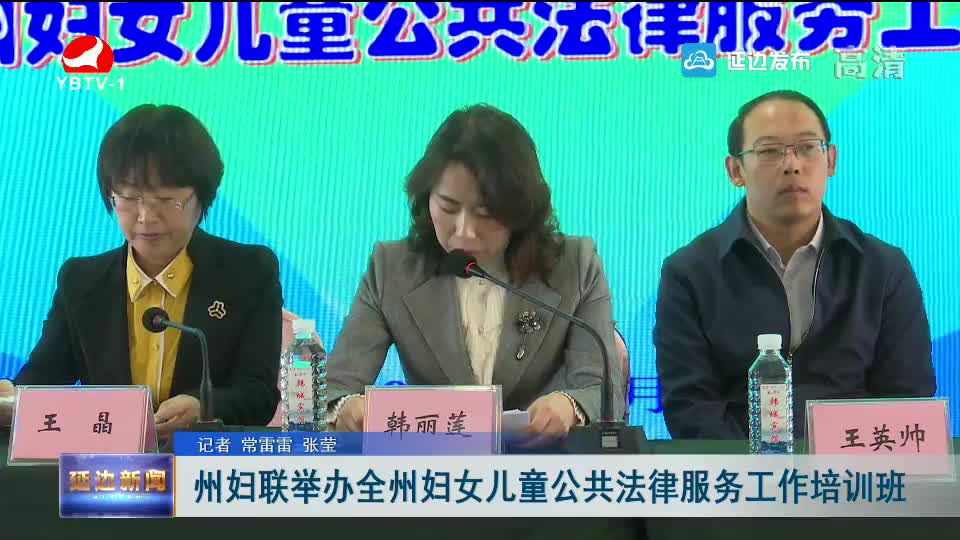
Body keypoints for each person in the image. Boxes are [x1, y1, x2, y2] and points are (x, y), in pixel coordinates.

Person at [325, 104, 624, 440]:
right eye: (448, 207)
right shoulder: (391, 268)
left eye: (485, 213)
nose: (464, 232)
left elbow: (602, 392)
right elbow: (335, 388)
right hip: (432, 464)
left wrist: (569, 406)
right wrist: (347, 407)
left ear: (521, 208)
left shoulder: (575, 265)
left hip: (542, 462)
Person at [654, 90, 936, 440]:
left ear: (830, 160)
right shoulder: (689, 272)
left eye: (807, 147)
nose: (792, 165)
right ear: (735, 170)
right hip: (739, 469)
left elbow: (908, 399)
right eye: (770, 151)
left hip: (860, 466)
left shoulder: (883, 268)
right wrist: (762, 466)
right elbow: (691, 408)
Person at [0, 105, 283, 437]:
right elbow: (43, 379)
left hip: (203, 460)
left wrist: (204, 407)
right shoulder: (81, 281)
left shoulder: (248, 272)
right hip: (107, 462)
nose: (146, 217)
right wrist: (12, 396)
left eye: (165, 200)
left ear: (202, 197)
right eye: (129, 198)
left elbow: (258, 392)